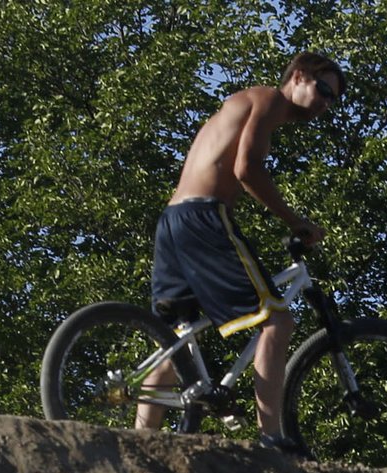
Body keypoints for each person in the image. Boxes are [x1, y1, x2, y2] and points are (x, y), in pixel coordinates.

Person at [140, 52, 345, 448]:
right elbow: (247, 169)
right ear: (298, 76)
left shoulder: (242, 104)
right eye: (322, 90)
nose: (325, 103)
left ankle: (139, 440)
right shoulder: (268, 99)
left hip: (173, 220)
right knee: (278, 321)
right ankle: (272, 437)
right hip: (203, 216)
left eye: (332, 99)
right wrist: (295, 221)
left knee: (176, 338)